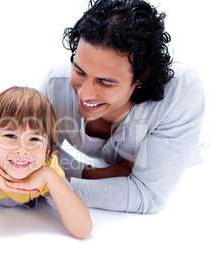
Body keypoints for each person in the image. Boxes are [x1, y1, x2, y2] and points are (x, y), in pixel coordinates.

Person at [39, 0, 205, 214]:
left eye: (105, 82)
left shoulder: (181, 91)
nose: (84, 93)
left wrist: (53, 186)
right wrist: (92, 174)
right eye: (80, 71)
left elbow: (146, 194)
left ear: (141, 77)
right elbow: (35, 151)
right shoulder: (57, 81)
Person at [0, 87, 92, 251]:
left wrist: (49, 177)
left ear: (47, 152)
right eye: (10, 136)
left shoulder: (47, 167)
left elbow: (83, 229)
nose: (22, 149)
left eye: (34, 138)